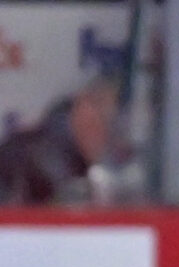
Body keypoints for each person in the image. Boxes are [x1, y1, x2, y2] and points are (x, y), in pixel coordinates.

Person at [0, 73, 120, 202]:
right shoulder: (39, 160)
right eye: (103, 118)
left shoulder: (89, 167)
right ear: (83, 106)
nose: (105, 133)